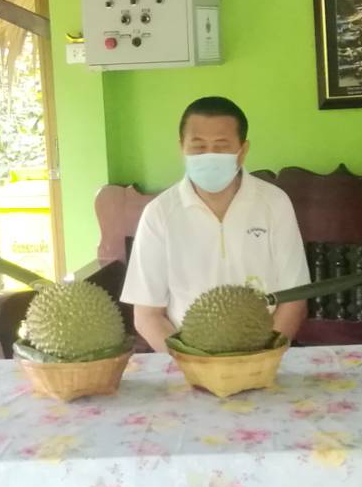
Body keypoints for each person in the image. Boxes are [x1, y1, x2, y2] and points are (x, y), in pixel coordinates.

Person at [122, 96, 310, 352]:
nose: (209, 156)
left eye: (221, 147)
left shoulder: (274, 203)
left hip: (264, 353)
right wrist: (192, 362)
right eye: (198, 147)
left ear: (242, 151)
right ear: (182, 147)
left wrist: (260, 358)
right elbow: (147, 315)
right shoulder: (159, 214)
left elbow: (294, 300)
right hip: (187, 357)